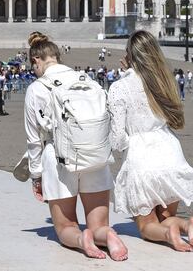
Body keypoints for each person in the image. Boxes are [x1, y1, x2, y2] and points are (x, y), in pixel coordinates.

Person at [23, 32, 128, 261]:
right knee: (99, 223)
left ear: (36, 61)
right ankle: (108, 235)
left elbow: (34, 140)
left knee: (66, 226)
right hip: (96, 155)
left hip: (60, 159)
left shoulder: (37, 88)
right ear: (57, 57)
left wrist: (36, 176)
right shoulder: (86, 80)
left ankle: (82, 240)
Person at [108, 30, 193, 252]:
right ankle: (186, 224)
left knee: (147, 226)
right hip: (169, 152)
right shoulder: (165, 81)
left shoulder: (119, 87)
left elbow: (117, 139)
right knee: (166, 216)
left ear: (130, 55)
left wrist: (127, 146)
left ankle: (169, 235)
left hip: (141, 155)